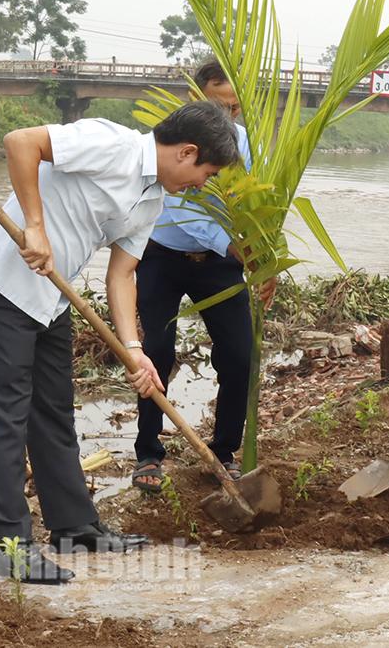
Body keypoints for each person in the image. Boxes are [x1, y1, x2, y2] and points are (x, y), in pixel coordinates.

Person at [0, 101, 239, 583]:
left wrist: (134, 350)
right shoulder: (109, 143)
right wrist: (34, 224)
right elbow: (20, 143)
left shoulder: (152, 199)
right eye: (207, 172)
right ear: (187, 152)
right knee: (5, 416)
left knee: (53, 411)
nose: (203, 184)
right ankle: (7, 547)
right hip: (4, 285)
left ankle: (75, 527)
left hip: (52, 297)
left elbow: (122, 274)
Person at [132, 59, 276, 492]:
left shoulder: (247, 146)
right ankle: (148, 454)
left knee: (239, 356)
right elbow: (184, 207)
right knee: (155, 353)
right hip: (162, 255)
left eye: (234, 109)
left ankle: (225, 452)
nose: (227, 119)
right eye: (218, 105)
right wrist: (235, 246)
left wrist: (266, 259)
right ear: (196, 99)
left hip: (220, 265)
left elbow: (259, 207)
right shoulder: (176, 146)